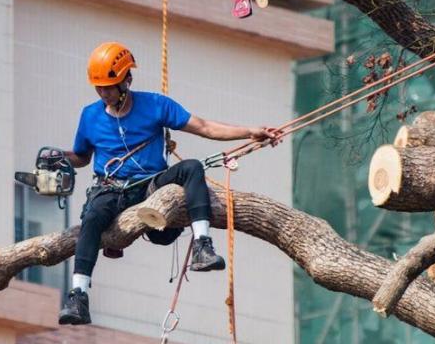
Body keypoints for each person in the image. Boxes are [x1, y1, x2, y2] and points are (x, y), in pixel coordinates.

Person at [58, 41, 278, 325]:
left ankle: (203, 246)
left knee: (191, 168)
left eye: (108, 86)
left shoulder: (155, 105)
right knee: (92, 218)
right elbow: (82, 157)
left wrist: (250, 132)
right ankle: (78, 296)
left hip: (151, 185)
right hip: (111, 188)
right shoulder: (90, 115)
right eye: (98, 87)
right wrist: (60, 157)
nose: (103, 93)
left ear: (127, 80)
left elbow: (205, 127)